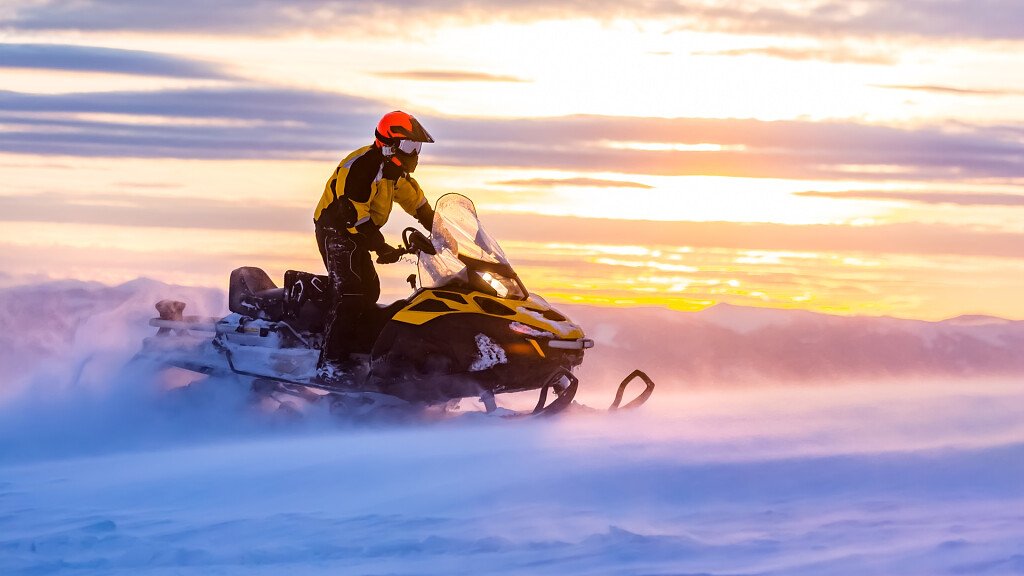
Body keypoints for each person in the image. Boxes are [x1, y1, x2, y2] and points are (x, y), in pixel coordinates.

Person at [312, 111, 435, 379]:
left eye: (417, 147)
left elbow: (418, 204)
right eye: (409, 146)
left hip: (358, 231)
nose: (414, 153)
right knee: (352, 292)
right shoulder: (364, 167)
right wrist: (381, 247)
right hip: (336, 229)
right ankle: (331, 364)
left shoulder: (395, 173)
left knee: (371, 290)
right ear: (389, 144)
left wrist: (443, 231)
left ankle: (359, 352)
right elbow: (353, 215)